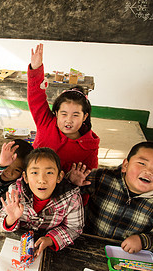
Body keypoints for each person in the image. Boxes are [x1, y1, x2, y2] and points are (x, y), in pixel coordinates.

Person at [68, 141, 153, 253]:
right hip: (84, 240)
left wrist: (143, 241)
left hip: (123, 254)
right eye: (142, 163)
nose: (149, 171)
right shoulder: (102, 177)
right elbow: (68, 195)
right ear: (125, 165)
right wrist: (72, 182)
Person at [27, 43, 99, 173]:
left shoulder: (89, 146)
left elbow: (90, 177)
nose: (68, 120)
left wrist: (77, 181)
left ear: (85, 117)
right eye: (64, 114)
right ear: (56, 113)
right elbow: (35, 98)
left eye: (75, 115)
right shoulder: (46, 123)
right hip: (32, 182)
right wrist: (36, 68)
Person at [0, 147, 84, 257]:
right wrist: (11, 218)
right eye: (34, 172)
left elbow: (74, 228)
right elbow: (1, 218)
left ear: (59, 177)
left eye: (49, 172)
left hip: (52, 252)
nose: (42, 180)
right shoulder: (15, 192)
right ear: (25, 177)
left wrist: (50, 239)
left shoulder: (71, 198)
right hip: (16, 245)